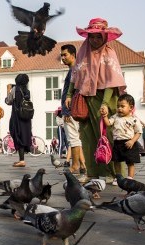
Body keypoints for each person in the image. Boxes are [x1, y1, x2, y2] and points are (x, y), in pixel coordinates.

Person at [65, 18, 126, 183]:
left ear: (105, 37)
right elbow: (75, 77)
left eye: (99, 36)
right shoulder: (84, 54)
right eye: (92, 36)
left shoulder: (109, 54)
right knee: (87, 136)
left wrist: (105, 103)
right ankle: (91, 172)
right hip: (85, 100)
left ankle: (112, 173)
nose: (95, 40)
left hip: (104, 100)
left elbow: (111, 82)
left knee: (106, 136)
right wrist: (70, 95)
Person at [60, 44, 87, 179]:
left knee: (73, 139)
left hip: (71, 111)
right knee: (76, 140)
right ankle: (82, 166)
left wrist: (66, 111)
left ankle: (75, 165)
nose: (63, 58)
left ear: (73, 54)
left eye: (65, 55)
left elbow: (71, 93)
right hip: (73, 110)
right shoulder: (75, 69)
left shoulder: (74, 70)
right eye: (62, 55)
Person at [102, 94, 143, 179]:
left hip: (129, 143)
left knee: (130, 162)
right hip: (117, 143)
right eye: (118, 106)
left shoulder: (134, 119)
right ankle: (118, 177)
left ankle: (130, 178)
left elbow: (138, 132)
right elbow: (108, 123)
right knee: (116, 161)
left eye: (122, 106)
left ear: (131, 107)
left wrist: (132, 141)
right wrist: (105, 117)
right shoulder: (115, 116)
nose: (119, 108)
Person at [5, 73, 32, 167]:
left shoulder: (14, 89)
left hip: (17, 116)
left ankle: (21, 161)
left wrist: (8, 91)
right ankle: (22, 159)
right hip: (26, 117)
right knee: (24, 135)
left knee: (17, 134)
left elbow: (8, 101)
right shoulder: (27, 91)